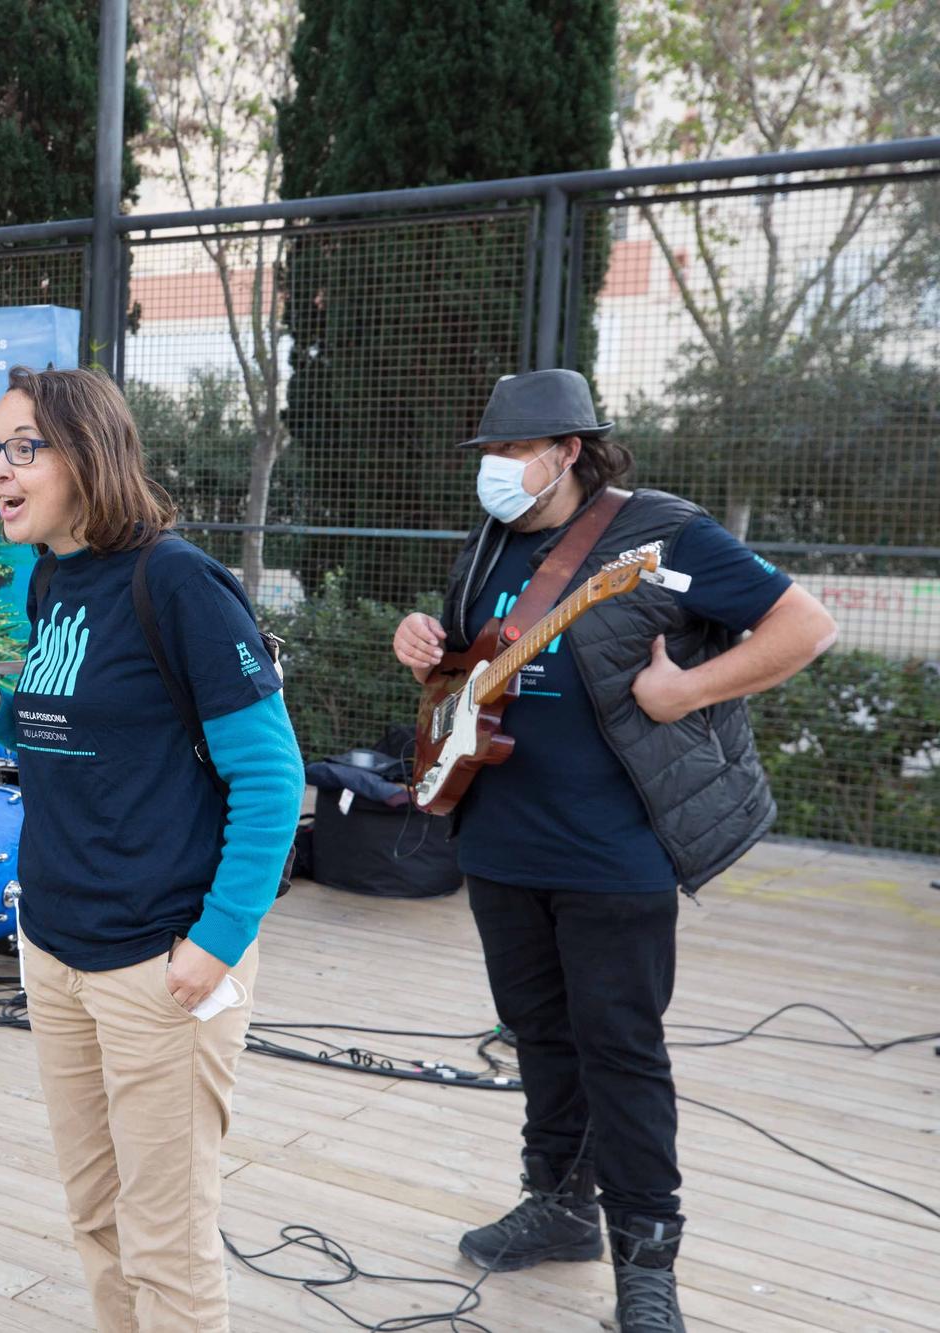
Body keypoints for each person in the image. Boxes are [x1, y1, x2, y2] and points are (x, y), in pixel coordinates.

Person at [391, 369, 837, 1333]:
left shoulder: (665, 534)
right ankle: (559, 1205)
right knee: (539, 1035)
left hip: (614, 846)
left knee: (621, 1049)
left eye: (515, 452)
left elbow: (805, 625)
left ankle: (647, 1255)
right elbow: (473, 662)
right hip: (500, 834)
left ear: (569, 453)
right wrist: (422, 640)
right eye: (491, 454)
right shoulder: (491, 539)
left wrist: (691, 690)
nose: (498, 469)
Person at [0, 366, 304, 1332]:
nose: (0, 468)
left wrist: (217, 939)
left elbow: (273, 777)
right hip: (57, 947)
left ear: (87, 456)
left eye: (22, 448)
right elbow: (75, 738)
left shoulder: (178, 583)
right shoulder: (51, 579)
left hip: (161, 962)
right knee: (95, 1218)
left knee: (165, 1240)